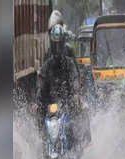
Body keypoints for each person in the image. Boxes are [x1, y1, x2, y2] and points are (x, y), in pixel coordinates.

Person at [35, 12, 90, 148]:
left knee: (83, 112)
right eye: (55, 44)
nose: (57, 48)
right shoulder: (47, 60)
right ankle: (42, 147)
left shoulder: (70, 59)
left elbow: (75, 75)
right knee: (38, 118)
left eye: (59, 44)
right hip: (52, 104)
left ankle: (85, 145)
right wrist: (38, 98)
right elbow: (42, 79)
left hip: (69, 99)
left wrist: (75, 94)